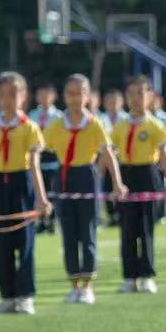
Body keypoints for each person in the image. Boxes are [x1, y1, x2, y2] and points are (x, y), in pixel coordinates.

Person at [45, 74, 127, 304]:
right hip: (63, 177)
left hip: (86, 176)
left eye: (80, 93)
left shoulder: (94, 124)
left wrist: (117, 182)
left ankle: (88, 285)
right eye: (70, 93)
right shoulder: (56, 125)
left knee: (87, 231)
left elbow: (107, 153)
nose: (75, 98)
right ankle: (74, 285)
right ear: (64, 96)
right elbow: (40, 148)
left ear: (88, 96)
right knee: (69, 234)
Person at [0, 73, 52, 314]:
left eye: (12, 94)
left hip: (22, 184)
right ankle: (7, 296)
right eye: (2, 95)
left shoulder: (30, 128)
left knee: (25, 242)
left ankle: (25, 296)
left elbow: (34, 166)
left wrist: (41, 198)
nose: (7, 100)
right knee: (2, 244)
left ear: (23, 97)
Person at [110, 75, 166, 294]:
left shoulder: (155, 125)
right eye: (131, 94)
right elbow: (110, 154)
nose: (136, 98)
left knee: (146, 228)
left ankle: (147, 275)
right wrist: (110, 181)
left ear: (150, 96)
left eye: (141, 93)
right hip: (126, 175)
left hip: (148, 175)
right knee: (127, 229)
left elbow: (165, 155)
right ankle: (130, 277)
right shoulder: (120, 125)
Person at [29, 83, 63, 234]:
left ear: (54, 97)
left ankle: (52, 220)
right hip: (37, 160)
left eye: (47, 94)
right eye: (41, 94)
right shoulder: (32, 115)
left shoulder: (59, 116)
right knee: (39, 190)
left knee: (53, 191)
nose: (44, 98)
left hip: (54, 158)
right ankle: (42, 221)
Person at [98, 88, 128, 227]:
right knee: (107, 186)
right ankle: (111, 215)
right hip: (105, 159)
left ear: (121, 102)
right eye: (110, 101)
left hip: (123, 159)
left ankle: (123, 213)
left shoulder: (127, 119)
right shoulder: (100, 120)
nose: (113, 104)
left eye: (115, 101)